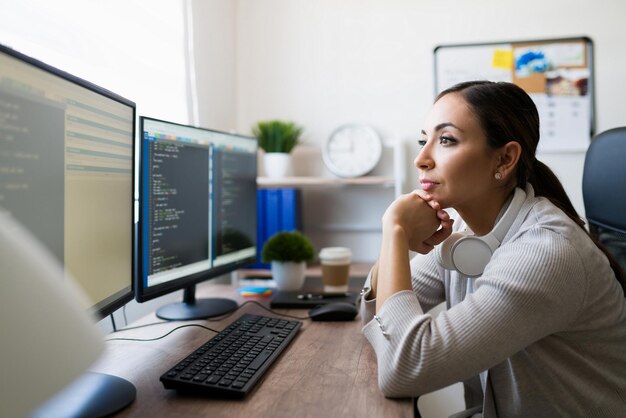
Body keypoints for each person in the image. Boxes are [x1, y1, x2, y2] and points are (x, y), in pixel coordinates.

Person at [360, 80, 626, 417]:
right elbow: (374, 320)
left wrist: (395, 230)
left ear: (504, 159)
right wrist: (393, 243)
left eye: (445, 140)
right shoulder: (462, 228)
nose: (421, 159)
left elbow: (404, 368)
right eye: (422, 140)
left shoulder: (546, 252)